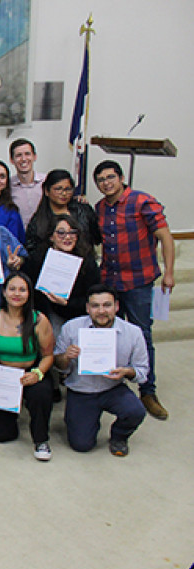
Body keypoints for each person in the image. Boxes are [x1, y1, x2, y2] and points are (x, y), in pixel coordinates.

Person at [93, 160, 175, 420]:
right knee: (110, 334)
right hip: (111, 281)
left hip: (139, 281)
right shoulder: (100, 208)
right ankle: (112, 383)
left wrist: (169, 272)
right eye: (101, 180)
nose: (106, 183)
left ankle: (148, 391)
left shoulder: (142, 201)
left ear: (121, 178)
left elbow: (165, 237)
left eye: (110, 177)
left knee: (142, 335)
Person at [53, 284, 148, 456]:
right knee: (81, 444)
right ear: (88, 308)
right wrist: (66, 357)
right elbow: (59, 367)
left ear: (116, 306)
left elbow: (142, 371)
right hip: (81, 390)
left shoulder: (133, 333)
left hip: (112, 388)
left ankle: (119, 435)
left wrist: (126, 372)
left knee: (135, 411)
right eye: (95, 306)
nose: (101, 311)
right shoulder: (71, 328)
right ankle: (85, 420)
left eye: (107, 305)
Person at [0, 272, 55, 461]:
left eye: (22, 290)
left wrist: (38, 373)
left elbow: (48, 355)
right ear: (4, 292)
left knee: (41, 393)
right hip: (2, 374)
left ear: (29, 293)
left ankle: (41, 440)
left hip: (29, 373)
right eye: (12, 289)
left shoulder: (39, 320)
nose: (17, 294)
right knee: (1, 434)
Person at [22, 215, 100, 341]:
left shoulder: (87, 261)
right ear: (51, 237)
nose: (67, 237)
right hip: (45, 316)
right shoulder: (37, 259)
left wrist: (68, 304)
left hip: (79, 316)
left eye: (72, 233)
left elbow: (94, 296)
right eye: (61, 233)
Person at [25, 169, 100, 256]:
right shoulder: (37, 220)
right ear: (46, 191)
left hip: (85, 264)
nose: (64, 193)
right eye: (58, 189)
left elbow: (97, 237)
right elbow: (31, 251)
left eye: (68, 189)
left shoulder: (83, 210)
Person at [8, 138, 45, 227]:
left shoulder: (47, 181)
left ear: (34, 157)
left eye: (27, 154)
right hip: (18, 237)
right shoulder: (6, 186)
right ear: (12, 160)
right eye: (18, 155)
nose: (23, 159)